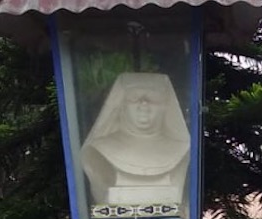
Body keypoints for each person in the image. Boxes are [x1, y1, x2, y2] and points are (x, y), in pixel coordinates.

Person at [80, 72, 191, 206]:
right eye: (134, 98)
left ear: (165, 107)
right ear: (121, 106)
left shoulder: (181, 148)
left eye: (153, 99)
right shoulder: (100, 148)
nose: (143, 106)